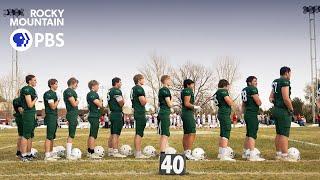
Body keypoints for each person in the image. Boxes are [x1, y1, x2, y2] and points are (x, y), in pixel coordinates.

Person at [269, 66, 295, 161]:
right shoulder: (285, 81)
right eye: (290, 73)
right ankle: (284, 155)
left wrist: (277, 102)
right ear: (287, 73)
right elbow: (286, 98)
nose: (290, 75)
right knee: (284, 133)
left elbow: (270, 98)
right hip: (283, 110)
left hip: (276, 109)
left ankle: (278, 154)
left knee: (279, 133)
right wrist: (291, 109)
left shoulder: (275, 81)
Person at [241, 76, 265, 161]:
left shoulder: (244, 89)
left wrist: (243, 114)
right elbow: (258, 102)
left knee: (248, 133)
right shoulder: (252, 89)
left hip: (247, 113)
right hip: (252, 113)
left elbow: (243, 104)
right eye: (254, 81)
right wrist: (258, 98)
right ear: (249, 82)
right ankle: (252, 154)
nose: (256, 83)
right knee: (252, 134)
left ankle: (245, 152)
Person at [212, 79, 235, 161]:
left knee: (222, 133)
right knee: (226, 132)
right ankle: (224, 155)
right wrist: (232, 101)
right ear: (225, 85)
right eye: (228, 86)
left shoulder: (217, 92)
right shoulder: (223, 91)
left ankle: (221, 152)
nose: (228, 88)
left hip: (221, 112)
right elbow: (229, 102)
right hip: (224, 113)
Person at [181, 79, 201, 160]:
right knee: (192, 132)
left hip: (185, 113)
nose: (193, 86)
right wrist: (195, 107)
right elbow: (186, 103)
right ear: (188, 85)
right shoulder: (188, 90)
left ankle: (186, 152)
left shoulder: (185, 90)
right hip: (187, 113)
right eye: (192, 84)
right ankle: (188, 152)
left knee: (186, 133)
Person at [20, 75, 38, 162]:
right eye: (34, 80)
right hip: (27, 113)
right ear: (29, 81)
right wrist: (36, 99)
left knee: (30, 134)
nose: (36, 82)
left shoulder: (32, 89)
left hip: (31, 113)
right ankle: (23, 155)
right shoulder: (26, 89)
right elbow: (30, 104)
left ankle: (28, 153)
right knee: (25, 134)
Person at [131, 74, 149, 158]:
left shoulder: (133, 88)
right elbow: (143, 102)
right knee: (139, 133)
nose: (144, 80)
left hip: (137, 111)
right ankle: (138, 153)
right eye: (142, 79)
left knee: (138, 132)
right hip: (140, 112)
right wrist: (147, 99)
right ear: (139, 80)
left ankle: (137, 151)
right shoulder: (139, 88)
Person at [107, 77, 126, 158]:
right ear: (116, 83)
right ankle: (115, 151)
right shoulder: (116, 91)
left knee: (112, 133)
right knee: (116, 134)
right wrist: (123, 101)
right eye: (120, 82)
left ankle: (110, 150)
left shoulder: (110, 90)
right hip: (117, 113)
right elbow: (121, 103)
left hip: (112, 113)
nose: (121, 84)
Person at [43, 79, 61, 161]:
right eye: (56, 84)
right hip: (50, 116)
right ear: (51, 84)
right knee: (49, 136)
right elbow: (53, 106)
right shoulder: (48, 94)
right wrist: (58, 100)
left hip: (54, 116)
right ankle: (47, 155)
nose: (57, 85)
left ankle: (51, 153)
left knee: (52, 136)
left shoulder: (54, 94)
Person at [86, 80, 103, 159]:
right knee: (93, 134)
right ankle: (92, 152)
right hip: (94, 115)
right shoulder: (93, 94)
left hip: (93, 115)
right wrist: (101, 100)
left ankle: (89, 151)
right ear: (93, 86)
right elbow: (100, 104)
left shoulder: (91, 94)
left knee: (91, 134)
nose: (98, 87)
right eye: (97, 85)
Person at [63, 77, 79, 160]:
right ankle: (68, 154)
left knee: (72, 134)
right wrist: (78, 100)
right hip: (71, 113)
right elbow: (74, 104)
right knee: (71, 134)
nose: (77, 85)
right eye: (76, 83)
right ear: (73, 82)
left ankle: (68, 153)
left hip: (72, 114)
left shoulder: (71, 91)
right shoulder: (69, 91)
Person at [158, 75, 173, 155]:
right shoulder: (165, 90)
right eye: (169, 80)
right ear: (166, 80)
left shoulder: (163, 90)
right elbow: (169, 104)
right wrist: (172, 98)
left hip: (164, 112)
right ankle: (163, 153)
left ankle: (165, 149)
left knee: (165, 132)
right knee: (165, 133)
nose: (171, 81)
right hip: (164, 112)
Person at [13, 91, 23, 158]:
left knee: (21, 135)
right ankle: (20, 151)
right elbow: (21, 110)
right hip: (21, 118)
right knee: (22, 135)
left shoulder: (17, 100)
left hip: (19, 117)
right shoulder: (19, 100)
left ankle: (19, 151)